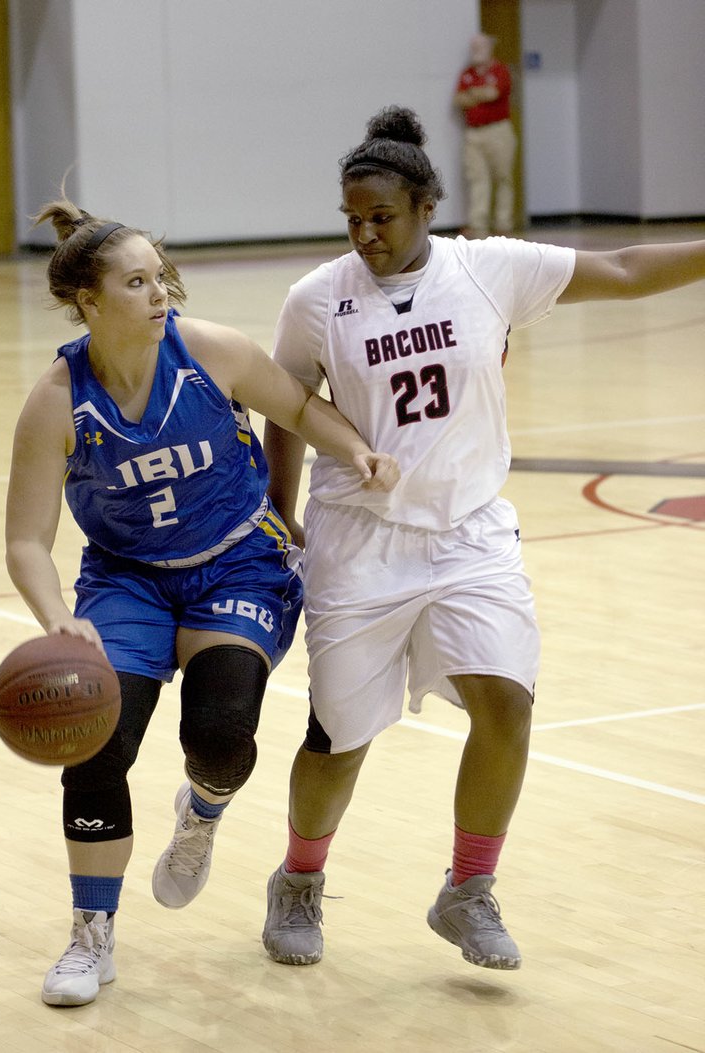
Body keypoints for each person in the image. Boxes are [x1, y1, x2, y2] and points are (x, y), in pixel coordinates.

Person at [259, 105, 705, 972]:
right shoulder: (318, 299)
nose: (364, 234)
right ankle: (299, 879)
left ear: (427, 207)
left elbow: (619, 264)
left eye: (381, 217)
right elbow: (285, 404)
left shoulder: (488, 269)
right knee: (339, 738)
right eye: (351, 218)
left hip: (469, 533)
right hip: (360, 538)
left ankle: (467, 890)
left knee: (507, 703)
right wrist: (285, 511)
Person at [4, 198, 399, 1006]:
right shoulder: (58, 400)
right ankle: (91, 935)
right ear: (89, 300)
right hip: (126, 579)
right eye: (138, 282)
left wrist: (355, 447)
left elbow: (297, 405)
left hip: (236, 564)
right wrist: (56, 616)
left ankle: (203, 809)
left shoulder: (210, 351)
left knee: (220, 735)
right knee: (97, 743)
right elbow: (24, 541)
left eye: (161, 278)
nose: (160, 296)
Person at [453, 33, 517, 238]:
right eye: (473, 48)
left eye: (479, 47)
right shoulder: (467, 73)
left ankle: (503, 222)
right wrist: (479, 94)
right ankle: (478, 224)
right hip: (474, 133)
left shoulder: (500, 70)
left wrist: (473, 94)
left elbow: (494, 93)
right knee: (477, 178)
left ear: (489, 48)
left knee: (503, 177)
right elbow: (459, 100)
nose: (476, 51)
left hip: (498, 131)